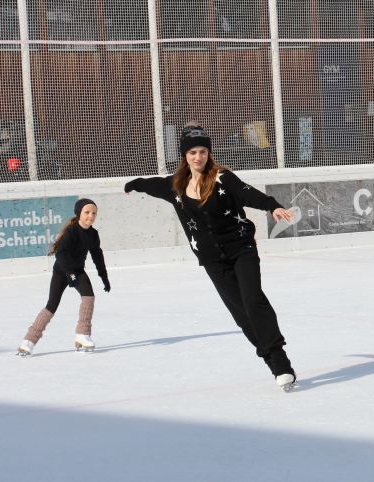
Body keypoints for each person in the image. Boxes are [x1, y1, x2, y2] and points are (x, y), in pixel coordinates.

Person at [123, 123, 298, 392]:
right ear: (185, 155)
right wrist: (135, 184)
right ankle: (270, 360)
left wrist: (272, 205)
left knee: (253, 301)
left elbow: (247, 193)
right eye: (192, 152)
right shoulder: (176, 186)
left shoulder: (222, 178)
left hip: (241, 250)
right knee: (240, 315)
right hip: (213, 261)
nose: (198, 157)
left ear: (209, 153)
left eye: (203, 151)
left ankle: (280, 361)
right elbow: (153, 184)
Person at [17, 198, 111, 356]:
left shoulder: (93, 234)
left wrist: (104, 276)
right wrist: (70, 273)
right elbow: (61, 254)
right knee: (51, 306)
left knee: (88, 297)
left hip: (78, 271)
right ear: (78, 213)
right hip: (62, 271)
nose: (91, 216)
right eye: (87, 212)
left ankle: (83, 334)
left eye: (94, 213)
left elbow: (97, 255)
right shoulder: (72, 231)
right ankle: (28, 341)